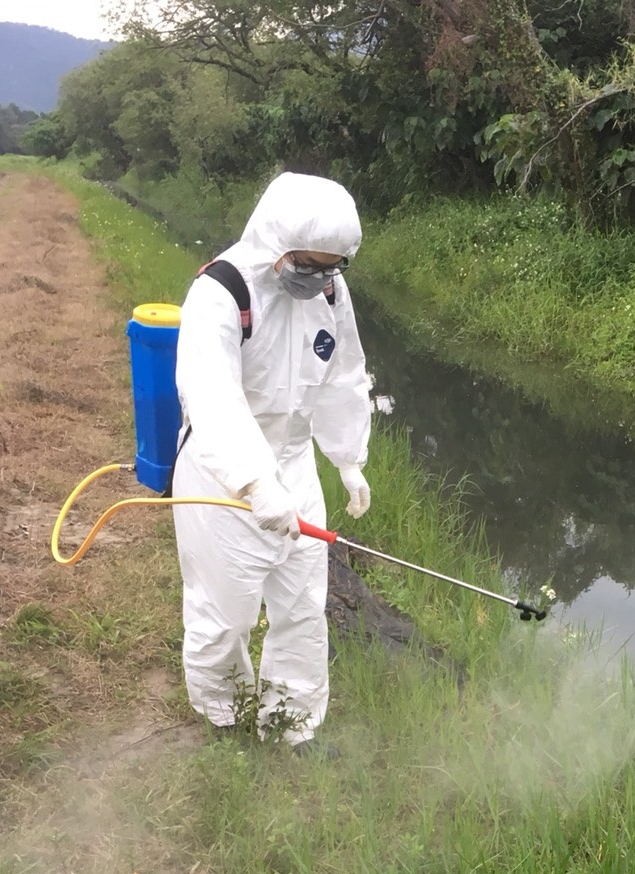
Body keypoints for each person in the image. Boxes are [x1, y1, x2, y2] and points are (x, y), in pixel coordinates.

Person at [170, 171, 373, 755]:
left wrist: (348, 459)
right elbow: (213, 398)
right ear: (275, 242)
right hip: (222, 475)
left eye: (329, 267)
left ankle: (291, 724)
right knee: (226, 613)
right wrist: (256, 482)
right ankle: (225, 715)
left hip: (296, 465)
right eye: (307, 265)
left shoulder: (329, 291)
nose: (316, 278)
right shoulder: (222, 292)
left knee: (304, 608)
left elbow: (342, 372)